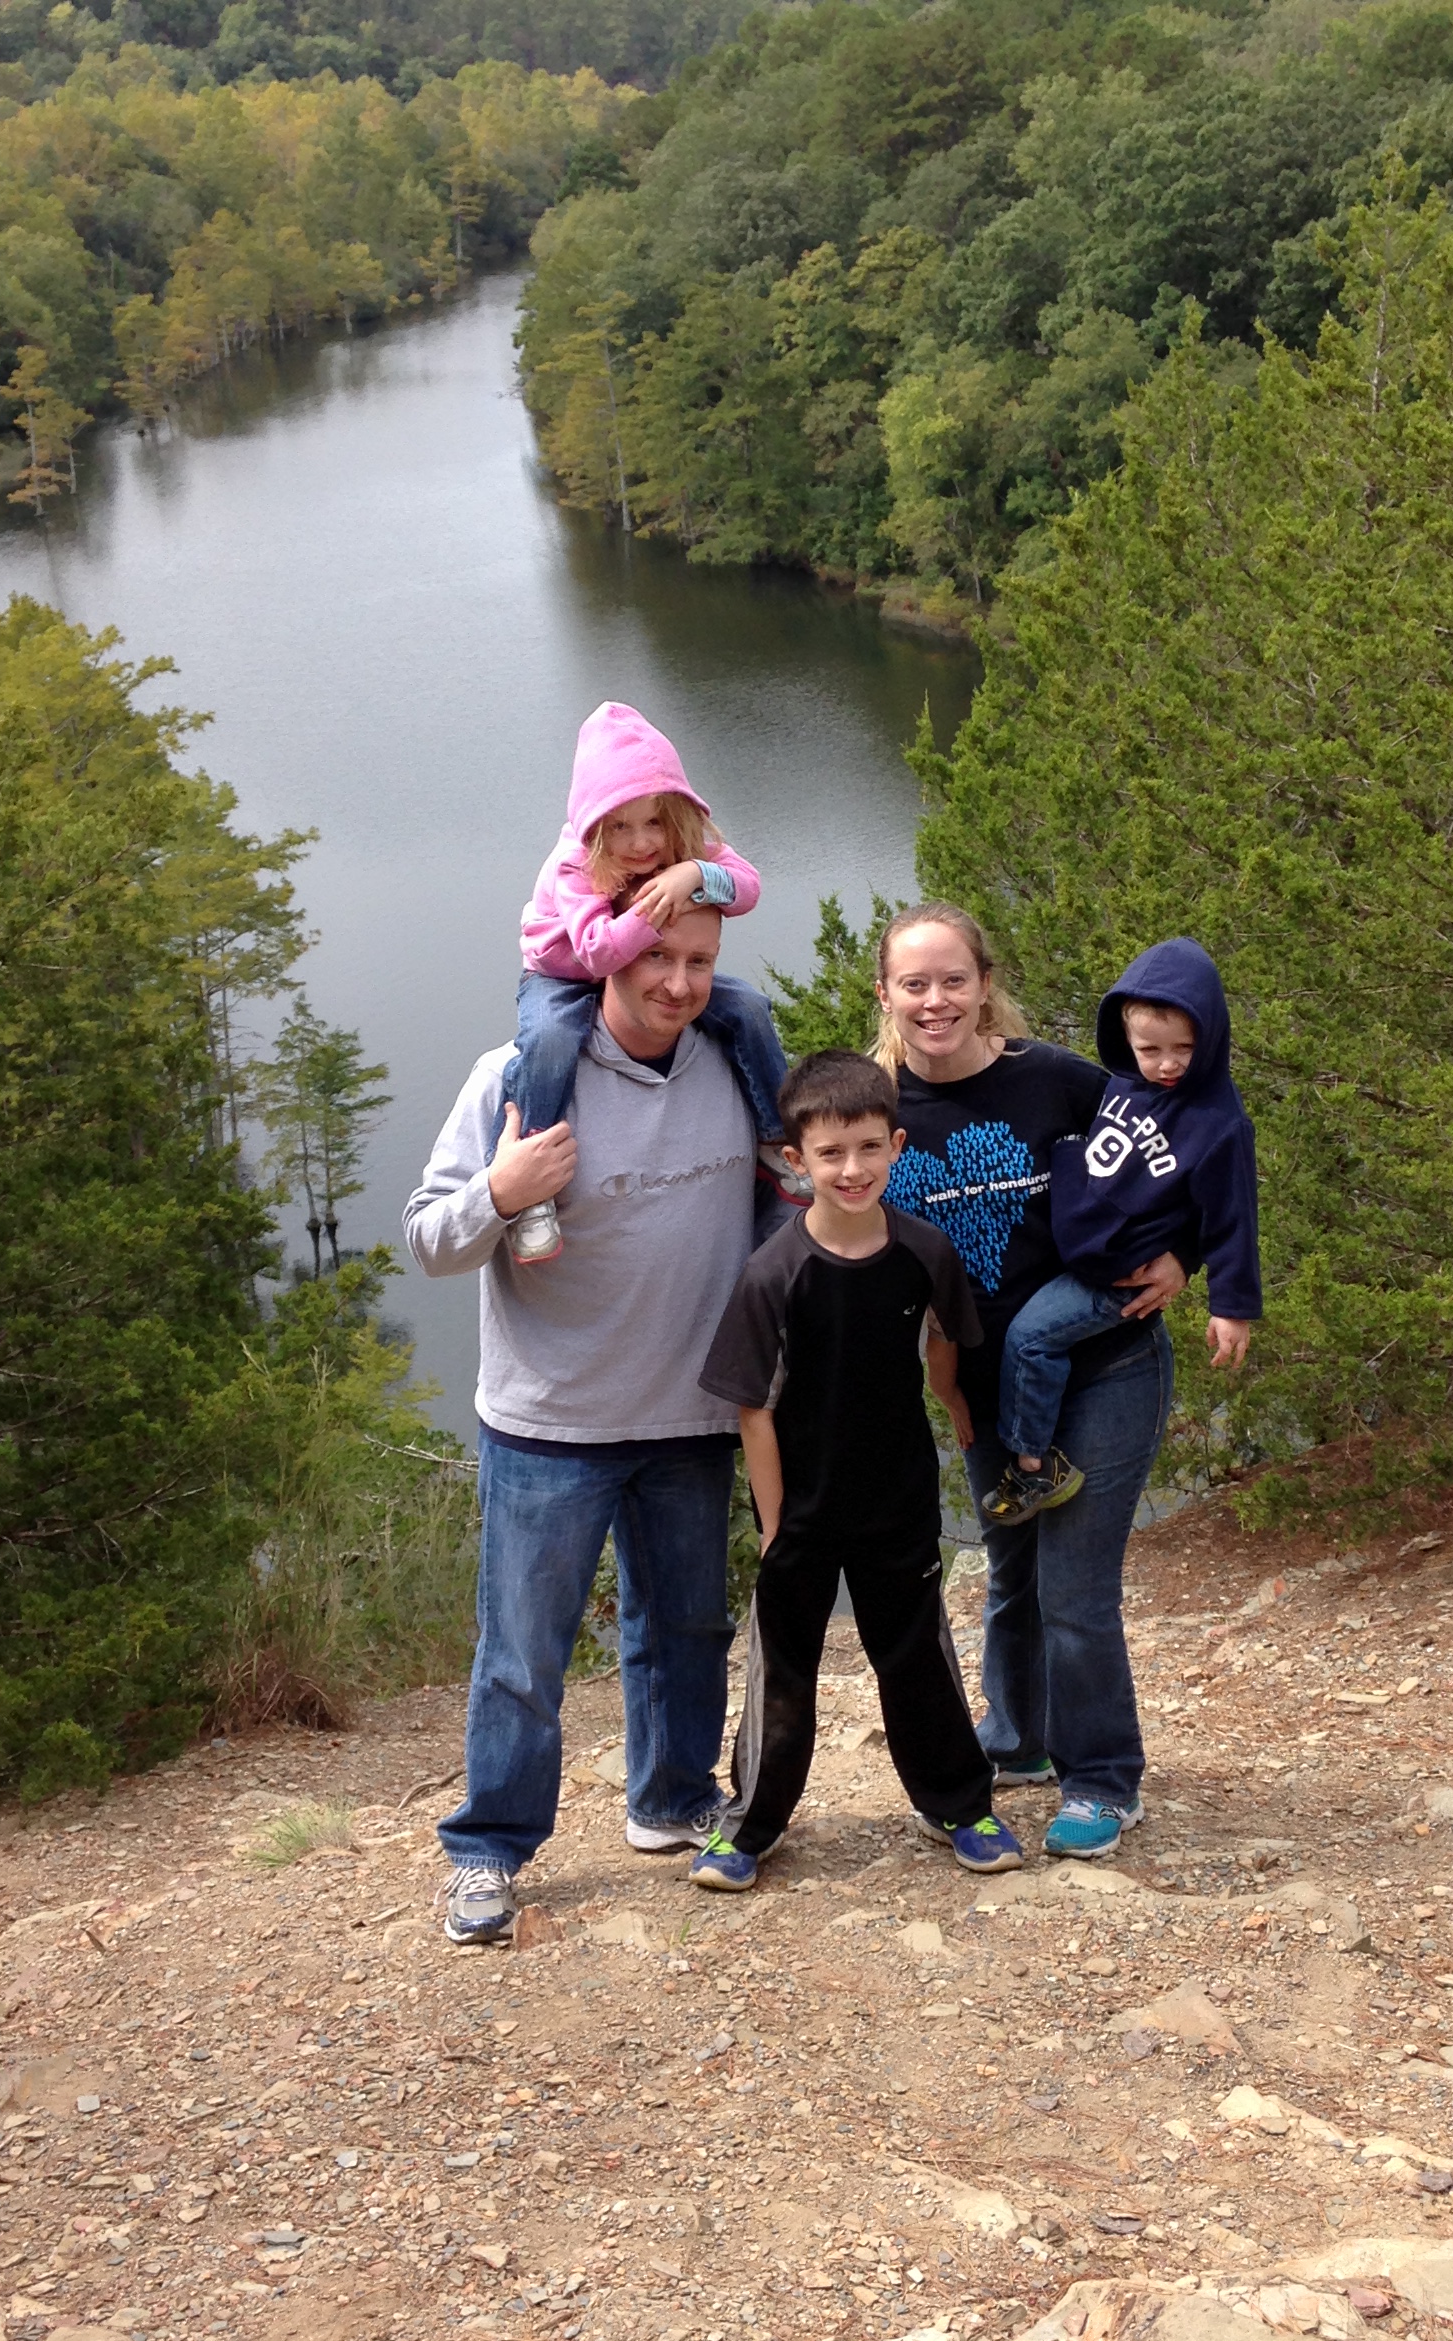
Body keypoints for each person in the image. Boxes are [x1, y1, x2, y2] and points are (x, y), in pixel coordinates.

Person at [402, 903, 760, 1944]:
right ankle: (489, 1847)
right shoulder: (519, 1076)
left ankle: (673, 1799)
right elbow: (429, 1239)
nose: (679, 983)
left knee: (687, 1631)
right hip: (549, 1425)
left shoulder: (737, 1068)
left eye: (700, 961)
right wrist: (501, 1191)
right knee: (523, 1657)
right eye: (656, 958)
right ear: (604, 959)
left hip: (692, 1413)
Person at [875, 904, 1180, 1862]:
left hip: (1106, 1365)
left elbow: (1183, 1147)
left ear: (984, 985)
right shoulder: (875, 1108)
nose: (935, 1001)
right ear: (885, 994)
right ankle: (1019, 1742)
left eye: (953, 980)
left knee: (1074, 1588)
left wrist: (1186, 1252)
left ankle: (1104, 1780)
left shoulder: (1056, 1081)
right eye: (915, 984)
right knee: (1012, 1574)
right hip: (984, 1389)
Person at [690, 1050, 1024, 1893]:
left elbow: (945, 1335)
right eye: (830, 1153)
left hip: (898, 1500)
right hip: (801, 1509)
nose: (852, 1169)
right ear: (795, 1160)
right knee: (783, 1672)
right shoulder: (775, 1272)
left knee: (917, 1660)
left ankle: (961, 1806)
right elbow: (754, 1408)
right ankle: (750, 1827)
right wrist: (773, 1523)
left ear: (896, 1145)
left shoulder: (924, 1251)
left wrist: (950, 1399)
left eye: (870, 1147)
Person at [981, 937, 1262, 1528]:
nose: (1167, 1064)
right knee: (1027, 1334)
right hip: (1082, 1251)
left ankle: (1033, 1465)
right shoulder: (1126, 1082)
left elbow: (1233, 1217)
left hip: (1120, 1275)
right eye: (1149, 1049)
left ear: (1211, 1038)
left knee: (1030, 1340)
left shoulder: (1218, 1123)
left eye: (1184, 1049)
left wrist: (1231, 1308)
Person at [504, 700, 797, 1264]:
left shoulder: (682, 851)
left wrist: (694, 874)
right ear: (595, 826)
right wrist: (653, 909)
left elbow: (749, 887)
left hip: (644, 967)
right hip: (562, 972)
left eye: (654, 822)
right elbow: (596, 951)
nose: (642, 844)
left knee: (748, 1008)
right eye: (621, 826)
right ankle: (532, 1187)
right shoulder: (574, 864)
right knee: (550, 1041)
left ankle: (775, 1137)